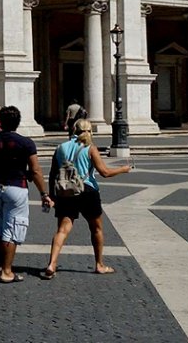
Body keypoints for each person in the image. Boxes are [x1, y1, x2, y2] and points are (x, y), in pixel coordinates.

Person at [40, 118, 132, 278]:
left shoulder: (60, 147)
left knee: (62, 229)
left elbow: (54, 174)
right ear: (89, 131)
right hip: (87, 191)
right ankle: (99, 264)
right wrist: (123, 169)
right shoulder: (90, 148)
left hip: (66, 191)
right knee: (96, 228)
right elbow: (105, 172)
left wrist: (52, 196)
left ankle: (52, 263)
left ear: (73, 130)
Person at [0, 105, 52, 284]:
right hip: (16, 187)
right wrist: (44, 193)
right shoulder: (25, 143)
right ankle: (7, 271)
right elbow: (35, 170)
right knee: (11, 230)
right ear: (18, 122)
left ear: (0, 121)